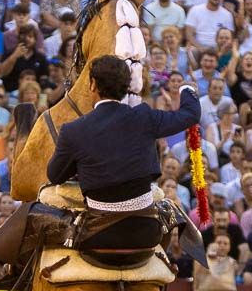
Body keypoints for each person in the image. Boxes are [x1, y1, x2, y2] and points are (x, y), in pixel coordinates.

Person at [47, 54, 200, 251]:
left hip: (96, 235)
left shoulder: (73, 130)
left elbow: (55, 175)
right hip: (146, 232)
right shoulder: (144, 117)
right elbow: (191, 115)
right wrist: (186, 89)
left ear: (92, 84)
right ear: (127, 87)